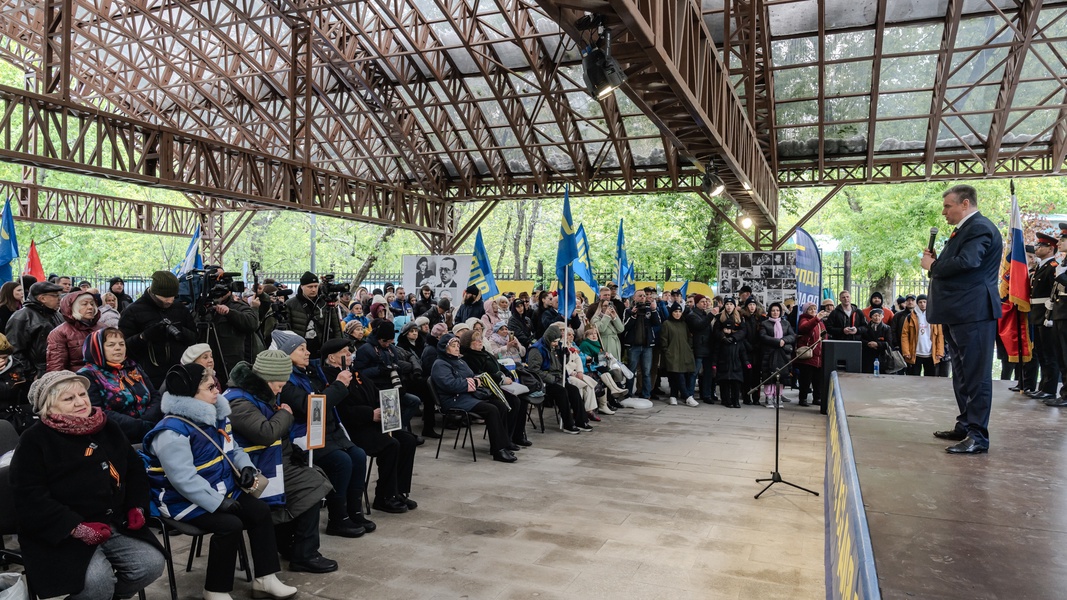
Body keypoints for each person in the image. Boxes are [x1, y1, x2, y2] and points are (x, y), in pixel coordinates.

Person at [142, 363, 298, 600]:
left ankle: (265, 579)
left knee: (260, 510)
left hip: (219, 488)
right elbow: (183, 479)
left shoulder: (215, 415)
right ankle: (215, 590)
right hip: (179, 500)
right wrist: (217, 503)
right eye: (210, 386)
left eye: (216, 384)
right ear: (190, 395)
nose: (218, 390)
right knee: (230, 524)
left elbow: (232, 448)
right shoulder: (171, 432)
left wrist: (246, 466)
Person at [11, 370, 166, 600]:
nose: (80, 402)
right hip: (62, 532)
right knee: (97, 582)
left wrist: (137, 506)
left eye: (82, 394)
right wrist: (75, 527)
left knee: (150, 565)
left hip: (112, 522)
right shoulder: (34, 440)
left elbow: (134, 471)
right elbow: (29, 496)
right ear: (49, 407)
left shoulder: (107, 426)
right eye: (68, 399)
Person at [225, 350, 338, 574]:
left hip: (271, 459)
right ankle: (304, 554)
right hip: (249, 470)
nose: (281, 390)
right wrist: (286, 414)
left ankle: (289, 544)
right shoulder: (237, 400)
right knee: (313, 485)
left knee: (314, 476)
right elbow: (266, 433)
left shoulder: (259, 392)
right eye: (279, 384)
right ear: (267, 379)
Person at [921, 184, 1002, 454]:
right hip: (960, 312)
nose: (944, 212)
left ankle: (978, 436)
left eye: (948, 206)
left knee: (976, 375)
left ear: (964, 204)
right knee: (963, 373)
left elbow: (968, 262)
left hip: (974, 312)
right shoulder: (966, 229)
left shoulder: (978, 227)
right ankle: (966, 424)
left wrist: (933, 265)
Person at [269, 330, 373, 537]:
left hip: (330, 430)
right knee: (341, 462)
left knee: (359, 456)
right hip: (304, 435)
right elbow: (310, 406)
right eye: (301, 349)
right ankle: (338, 518)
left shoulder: (312, 372)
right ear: (287, 353)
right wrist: (339, 385)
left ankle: (354, 511)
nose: (307, 353)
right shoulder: (285, 380)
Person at [323, 340, 420, 513]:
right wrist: (370, 414)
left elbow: (374, 393)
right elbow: (342, 410)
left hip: (373, 423)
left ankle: (398, 490)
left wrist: (386, 406)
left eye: (349, 351)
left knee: (407, 440)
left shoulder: (355, 373)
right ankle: (384, 496)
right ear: (332, 357)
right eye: (344, 352)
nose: (349, 355)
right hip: (354, 428)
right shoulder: (330, 377)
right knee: (391, 445)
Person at [430, 333, 518, 462]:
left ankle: (503, 443)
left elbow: (471, 374)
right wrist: (473, 382)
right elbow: (450, 385)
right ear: (444, 348)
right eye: (453, 346)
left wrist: (478, 378)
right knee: (491, 409)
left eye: (457, 345)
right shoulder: (440, 364)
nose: (456, 348)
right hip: (454, 400)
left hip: (468, 396)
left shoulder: (459, 360)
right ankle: (498, 451)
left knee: (500, 405)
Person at [117, 271, 198, 388]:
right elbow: (123, 347)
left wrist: (181, 331)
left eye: (173, 296)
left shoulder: (180, 308)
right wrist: (144, 336)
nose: (169, 300)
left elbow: (194, 338)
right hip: (146, 377)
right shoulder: (132, 311)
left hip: (179, 372)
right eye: (165, 297)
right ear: (154, 292)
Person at [78, 327, 161, 442]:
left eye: (122, 344)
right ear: (97, 349)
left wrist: (148, 420)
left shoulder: (132, 367)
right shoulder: (87, 375)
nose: (118, 348)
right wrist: (138, 426)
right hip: (118, 436)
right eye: (111, 345)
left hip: (150, 428)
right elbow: (96, 411)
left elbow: (155, 395)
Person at [527, 325, 590, 434]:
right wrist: (551, 379)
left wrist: (565, 356)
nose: (556, 344)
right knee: (562, 392)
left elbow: (560, 365)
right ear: (548, 339)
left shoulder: (557, 347)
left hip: (559, 378)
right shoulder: (537, 349)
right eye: (554, 341)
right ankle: (568, 423)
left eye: (557, 341)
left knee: (574, 390)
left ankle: (581, 420)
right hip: (544, 382)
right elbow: (534, 371)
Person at [202, 286, 262, 380]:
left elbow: (252, 323)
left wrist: (230, 313)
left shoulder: (238, 306)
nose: (217, 290)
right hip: (209, 361)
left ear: (229, 291)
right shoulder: (202, 307)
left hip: (231, 363)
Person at [7, 281, 65, 379]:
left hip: (57, 370)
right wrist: (32, 373)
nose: (60, 299)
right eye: (55, 296)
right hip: (37, 374)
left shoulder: (57, 315)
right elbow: (15, 350)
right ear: (42, 298)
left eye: (60, 295)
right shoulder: (22, 317)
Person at [1027, 232, 1060, 400]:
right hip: (1037, 314)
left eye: (1041, 246)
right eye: (1038, 245)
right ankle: (1044, 386)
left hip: (1047, 315)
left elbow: (1055, 295)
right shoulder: (1041, 267)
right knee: (1040, 352)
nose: (1037, 248)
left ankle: (1050, 388)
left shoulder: (1053, 267)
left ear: (1050, 249)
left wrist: (1051, 316)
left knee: (1049, 354)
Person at [285, 271, 342, 358]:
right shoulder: (291, 304)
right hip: (300, 345)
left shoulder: (325, 302)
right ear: (302, 287)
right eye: (310, 287)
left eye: (316, 286)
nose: (313, 289)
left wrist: (339, 345)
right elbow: (287, 328)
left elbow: (336, 326)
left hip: (321, 343)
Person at [47, 289, 102, 372]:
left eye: (92, 304)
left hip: (106, 379)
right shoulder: (59, 333)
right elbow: (56, 366)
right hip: (77, 380)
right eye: (84, 304)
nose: (90, 307)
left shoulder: (103, 328)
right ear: (72, 308)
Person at [623, 289, 660, 399]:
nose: (643, 297)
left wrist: (653, 310)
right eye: (640, 296)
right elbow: (624, 327)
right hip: (633, 346)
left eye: (644, 296)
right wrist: (633, 315)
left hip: (647, 346)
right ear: (634, 298)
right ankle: (628, 394)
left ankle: (646, 395)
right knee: (631, 371)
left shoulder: (650, 309)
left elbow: (657, 323)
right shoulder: (628, 310)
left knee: (646, 372)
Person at [713, 298, 750, 409]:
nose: (729, 306)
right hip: (723, 347)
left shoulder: (739, 317)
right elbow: (716, 331)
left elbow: (743, 331)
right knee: (724, 380)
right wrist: (723, 338)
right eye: (727, 304)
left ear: (734, 306)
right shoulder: (720, 317)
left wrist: (734, 337)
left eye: (731, 304)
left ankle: (735, 400)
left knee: (736, 380)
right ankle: (726, 400)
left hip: (736, 346)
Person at [758, 302, 796, 407]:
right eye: (773, 310)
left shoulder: (785, 323)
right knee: (769, 375)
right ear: (770, 312)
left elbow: (792, 336)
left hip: (782, 353)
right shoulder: (765, 323)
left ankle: (778, 396)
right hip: (769, 353)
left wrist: (783, 340)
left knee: (781, 375)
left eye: (778, 310)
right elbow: (763, 336)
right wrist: (777, 342)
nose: (775, 312)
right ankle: (769, 397)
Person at [660, 302, 696, 406]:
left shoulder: (684, 324)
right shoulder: (667, 323)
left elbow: (689, 337)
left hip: (684, 353)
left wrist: (689, 347)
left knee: (678, 375)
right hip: (672, 354)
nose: (677, 313)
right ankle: (687, 396)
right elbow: (663, 339)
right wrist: (667, 351)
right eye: (675, 311)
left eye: (680, 311)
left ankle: (673, 396)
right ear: (672, 312)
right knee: (677, 374)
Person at [900, 294, 944, 376]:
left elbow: (940, 335)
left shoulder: (934, 316)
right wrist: (906, 351)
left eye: (924, 302)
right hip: (915, 353)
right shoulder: (910, 317)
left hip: (931, 353)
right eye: (920, 302)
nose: (922, 304)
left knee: (930, 379)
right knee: (913, 379)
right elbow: (904, 335)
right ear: (917, 304)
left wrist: (939, 351)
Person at [795, 302, 828, 407]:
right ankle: (803, 398)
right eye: (810, 309)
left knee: (817, 380)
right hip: (808, 355)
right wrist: (816, 318)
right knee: (806, 378)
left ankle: (817, 398)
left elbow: (824, 336)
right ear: (806, 311)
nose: (813, 311)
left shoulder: (820, 322)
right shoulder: (804, 319)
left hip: (819, 356)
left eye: (815, 309)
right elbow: (804, 328)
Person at [686, 294, 717, 404]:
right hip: (699, 347)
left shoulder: (704, 314)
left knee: (708, 373)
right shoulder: (692, 315)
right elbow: (699, 326)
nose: (705, 303)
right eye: (702, 302)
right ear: (697, 303)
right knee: (694, 373)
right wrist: (711, 315)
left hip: (707, 347)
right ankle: (689, 395)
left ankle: (707, 395)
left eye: (706, 302)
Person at [860, 308, 893, 373]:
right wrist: (868, 344)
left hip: (882, 356)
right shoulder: (865, 328)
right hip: (867, 356)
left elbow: (889, 343)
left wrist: (877, 344)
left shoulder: (887, 328)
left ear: (882, 316)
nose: (877, 317)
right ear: (871, 317)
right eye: (875, 315)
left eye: (879, 315)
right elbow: (860, 340)